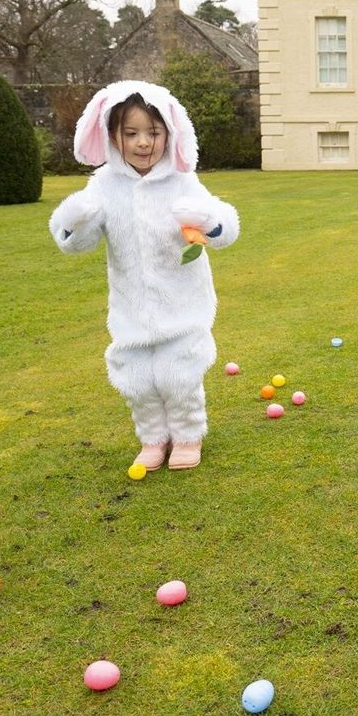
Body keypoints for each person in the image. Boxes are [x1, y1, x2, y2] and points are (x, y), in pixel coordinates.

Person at [49, 81, 239, 471]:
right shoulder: (103, 185)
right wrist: (74, 218)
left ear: (170, 132)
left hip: (182, 302)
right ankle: (153, 439)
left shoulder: (183, 179)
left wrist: (209, 222)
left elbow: (224, 230)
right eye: (131, 133)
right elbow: (76, 243)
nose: (142, 143)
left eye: (152, 132)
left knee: (178, 375)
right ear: (112, 136)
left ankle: (187, 435)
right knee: (136, 379)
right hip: (130, 306)